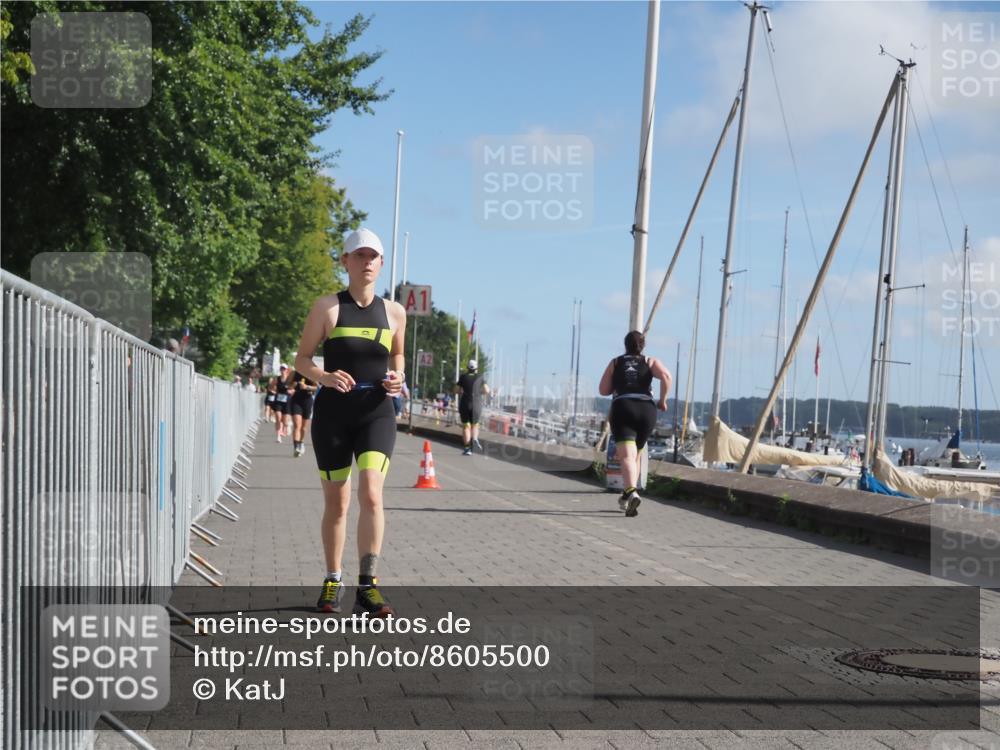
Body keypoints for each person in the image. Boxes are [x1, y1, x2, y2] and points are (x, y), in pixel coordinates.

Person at [293, 228, 405, 618]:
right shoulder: (327, 307)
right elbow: (302, 359)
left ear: (382, 263)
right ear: (345, 261)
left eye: (373, 256)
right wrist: (323, 377)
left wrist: (399, 377)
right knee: (337, 503)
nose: (367, 262)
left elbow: (399, 356)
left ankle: (368, 586)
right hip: (333, 417)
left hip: (377, 412)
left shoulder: (395, 312)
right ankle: (332, 577)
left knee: (372, 493)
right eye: (359, 255)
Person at [598, 331, 671, 517]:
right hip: (646, 410)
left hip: (624, 407)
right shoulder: (650, 361)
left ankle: (631, 492)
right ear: (642, 345)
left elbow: (603, 390)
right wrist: (663, 400)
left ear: (625, 345)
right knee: (636, 454)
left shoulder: (615, 362)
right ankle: (627, 495)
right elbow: (666, 377)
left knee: (626, 456)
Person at [455, 359, 490, 455]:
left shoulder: (463, 377)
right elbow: (487, 390)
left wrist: (462, 391)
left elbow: (456, 390)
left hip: (465, 403)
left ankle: (467, 449)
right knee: (475, 424)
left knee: (466, 426)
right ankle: (474, 438)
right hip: (477, 403)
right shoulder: (480, 377)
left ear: (467, 368)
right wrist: (479, 392)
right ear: (476, 368)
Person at [289, 368, 317, 457]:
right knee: (297, 425)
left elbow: (317, 387)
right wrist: (292, 386)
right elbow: (287, 385)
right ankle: (296, 447)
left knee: (304, 428)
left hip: (307, 401)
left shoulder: (311, 372)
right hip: (296, 401)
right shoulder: (294, 373)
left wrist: (306, 387)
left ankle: (301, 442)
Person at [273, 364, 291, 442]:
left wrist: (292, 391)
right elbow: (271, 386)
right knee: (278, 417)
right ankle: (278, 436)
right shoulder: (277, 379)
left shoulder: (290, 379)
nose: (282, 370)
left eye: (284, 369)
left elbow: (295, 388)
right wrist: (274, 391)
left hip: (287, 401)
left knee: (285, 421)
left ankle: (287, 425)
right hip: (278, 401)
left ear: (287, 370)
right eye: (281, 369)